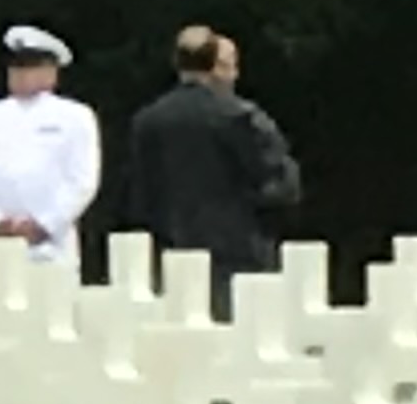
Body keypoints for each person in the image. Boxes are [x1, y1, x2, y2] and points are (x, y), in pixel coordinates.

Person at [126, 22, 300, 309]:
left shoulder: (148, 121)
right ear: (215, 67)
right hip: (239, 253)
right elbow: (284, 185)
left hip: (171, 252)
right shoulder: (240, 117)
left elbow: (140, 195)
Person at [0, 24, 104, 275]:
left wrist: (46, 223)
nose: (21, 75)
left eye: (31, 67)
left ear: (52, 72)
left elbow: (82, 180)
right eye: (16, 67)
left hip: (53, 244)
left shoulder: (75, 116)